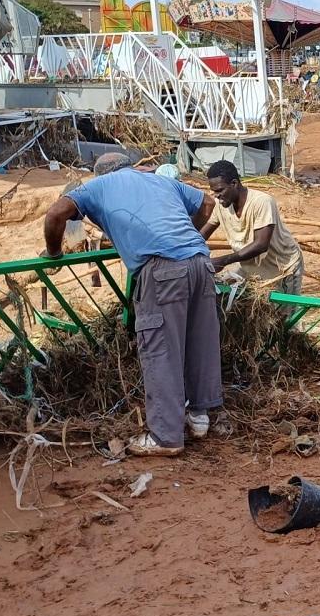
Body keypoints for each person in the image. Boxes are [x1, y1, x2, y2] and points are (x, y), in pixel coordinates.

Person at [42, 153, 223, 457]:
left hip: (163, 271)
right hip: (200, 262)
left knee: (161, 349)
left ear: (99, 173)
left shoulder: (96, 187)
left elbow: (56, 213)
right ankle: (199, 417)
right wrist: (181, 234)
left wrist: (54, 253)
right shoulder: (161, 181)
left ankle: (166, 437)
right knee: (199, 341)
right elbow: (207, 204)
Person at [200, 160, 304, 295]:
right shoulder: (221, 205)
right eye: (214, 192)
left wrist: (223, 260)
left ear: (234, 184)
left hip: (282, 268)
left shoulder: (261, 202)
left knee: (282, 314)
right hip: (251, 267)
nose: (217, 195)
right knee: (229, 299)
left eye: (220, 190)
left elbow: (261, 245)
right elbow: (201, 236)